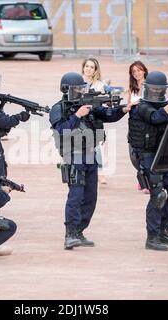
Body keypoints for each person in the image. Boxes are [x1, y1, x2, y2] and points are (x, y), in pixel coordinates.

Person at [50, 72, 130, 250]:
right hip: (72, 154)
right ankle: (70, 234)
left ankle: (79, 231)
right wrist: (77, 115)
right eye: (76, 89)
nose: (80, 92)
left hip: (90, 153)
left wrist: (123, 109)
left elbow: (107, 115)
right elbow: (61, 130)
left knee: (90, 197)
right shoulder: (59, 108)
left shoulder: (87, 104)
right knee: (76, 195)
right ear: (66, 90)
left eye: (81, 88)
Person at [127, 71, 168, 251]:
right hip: (147, 155)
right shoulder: (141, 106)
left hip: (165, 153)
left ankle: (165, 232)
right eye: (153, 89)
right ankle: (152, 238)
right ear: (147, 89)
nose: (156, 93)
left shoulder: (166, 105)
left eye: (159, 90)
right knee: (158, 195)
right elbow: (155, 117)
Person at [81, 58, 109, 185]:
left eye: (92, 67)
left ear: (95, 70)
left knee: (97, 147)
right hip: (80, 118)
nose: (88, 69)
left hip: (95, 119)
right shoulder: (77, 81)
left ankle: (101, 173)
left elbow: (105, 103)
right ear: (83, 68)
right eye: (87, 66)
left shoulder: (100, 85)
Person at [127, 61, 150, 194]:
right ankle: (142, 178)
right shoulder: (132, 87)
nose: (137, 73)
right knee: (135, 154)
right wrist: (129, 105)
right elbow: (129, 104)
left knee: (146, 153)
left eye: (139, 70)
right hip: (135, 124)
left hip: (147, 124)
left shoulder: (150, 86)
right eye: (134, 71)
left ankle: (147, 182)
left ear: (144, 70)